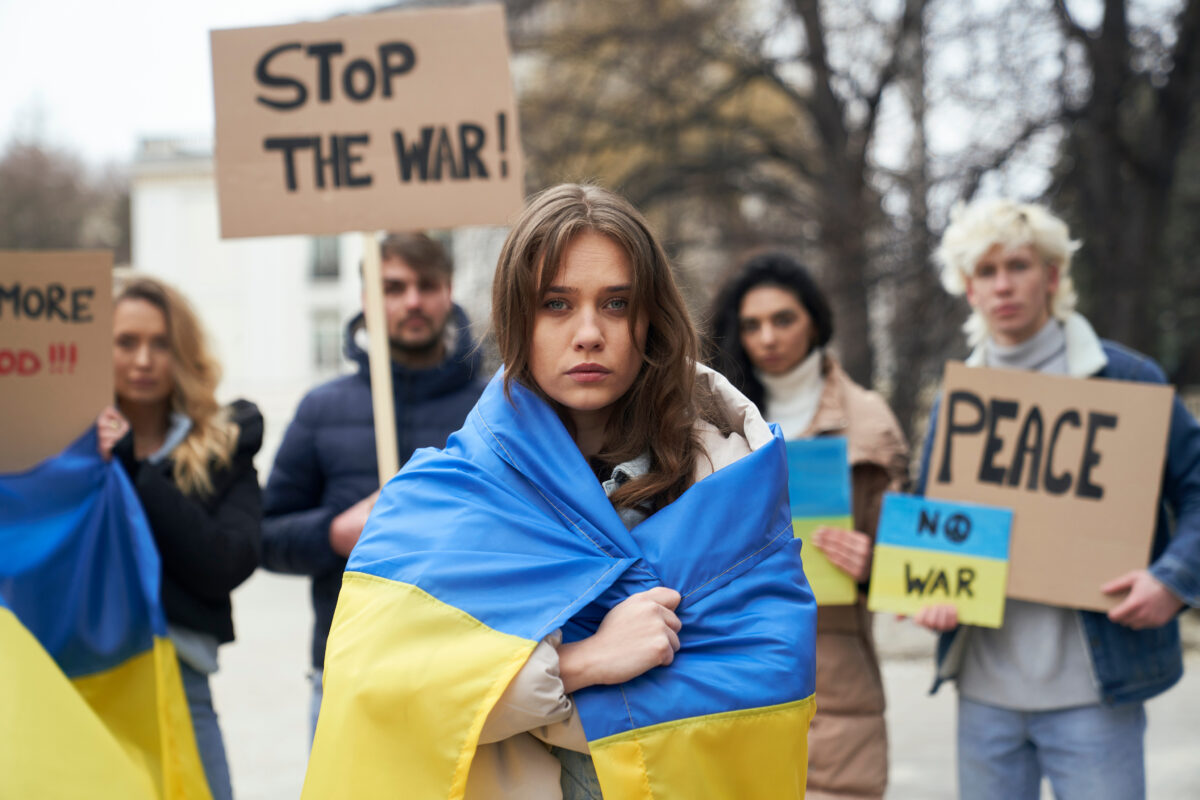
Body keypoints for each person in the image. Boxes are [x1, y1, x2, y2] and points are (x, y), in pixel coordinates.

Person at [302, 184, 817, 799]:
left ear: (650, 317)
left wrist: (533, 685)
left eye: (617, 303)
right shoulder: (446, 493)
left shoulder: (732, 477)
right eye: (556, 303)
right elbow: (382, 694)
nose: (589, 333)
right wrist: (587, 660)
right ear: (518, 317)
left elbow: (764, 681)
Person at [913, 198, 1200, 800]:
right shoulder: (958, 402)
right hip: (985, 694)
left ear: (1051, 275)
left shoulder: (1128, 381)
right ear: (968, 289)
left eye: (1017, 266)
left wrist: (1174, 579)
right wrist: (929, 586)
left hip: (1096, 691)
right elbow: (937, 521)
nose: (1003, 285)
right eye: (985, 273)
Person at [261, 232, 485, 737]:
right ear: (366, 299)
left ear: (448, 291)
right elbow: (264, 535)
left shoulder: (495, 407)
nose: (412, 300)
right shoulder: (322, 409)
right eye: (393, 286)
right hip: (350, 668)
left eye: (426, 285)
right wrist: (335, 533)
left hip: (472, 670)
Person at [708, 252, 908, 800]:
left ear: (815, 321)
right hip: (726, 663)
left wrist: (877, 565)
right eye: (752, 324)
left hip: (835, 677)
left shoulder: (870, 424)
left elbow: (917, 564)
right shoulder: (707, 421)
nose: (767, 336)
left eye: (783, 319)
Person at [95, 275, 262, 800]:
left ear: (183, 353)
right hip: (83, 681)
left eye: (160, 343)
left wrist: (136, 473)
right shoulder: (66, 447)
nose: (143, 360)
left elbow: (224, 563)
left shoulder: (224, 443)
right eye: (126, 342)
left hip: (182, 684)